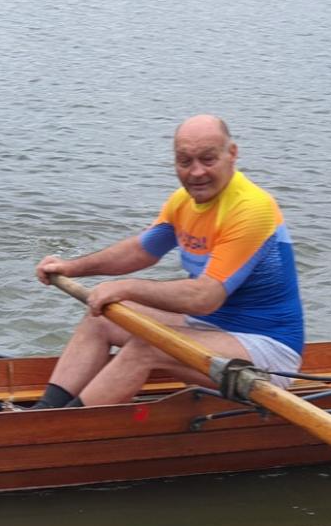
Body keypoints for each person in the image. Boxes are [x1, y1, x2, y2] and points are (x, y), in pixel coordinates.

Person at [31, 114, 303, 408]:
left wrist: (125, 288)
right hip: (209, 327)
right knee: (101, 319)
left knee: (147, 346)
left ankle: (60, 428)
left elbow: (204, 297)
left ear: (232, 154)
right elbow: (139, 251)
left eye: (208, 159)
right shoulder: (182, 202)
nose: (196, 172)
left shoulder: (252, 209)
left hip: (267, 348)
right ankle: (43, 412)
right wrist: (71, 268)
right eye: (185, 161)